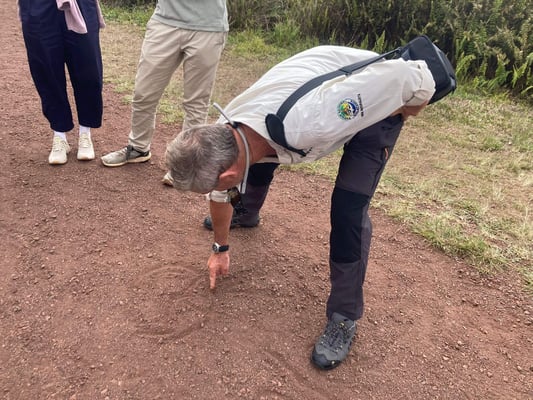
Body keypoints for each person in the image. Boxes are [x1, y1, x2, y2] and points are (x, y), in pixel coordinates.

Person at [165, 44, 441, 370]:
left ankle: (344, 316)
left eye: (215, 185)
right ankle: (248, 211)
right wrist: (220, 247)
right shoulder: (224, 131)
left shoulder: (310, 124)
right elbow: (223, 189)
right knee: (258, 154)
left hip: (374, 111)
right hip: (311, 101)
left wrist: (412, 104)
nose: (215, 191)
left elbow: (411, 75)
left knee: (348, 209)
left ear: (226, 175)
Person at [100, 0, 228, 186]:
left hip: (208, 27)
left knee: (196, 102)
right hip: (165, 22)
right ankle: (138, 148)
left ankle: (186, 164)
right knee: (144, 93)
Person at [19, 0, 105, 165]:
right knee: (46, 70)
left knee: (89, 69)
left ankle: (85, 133)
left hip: (80, 4)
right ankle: (59, 135)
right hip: (37, 6)